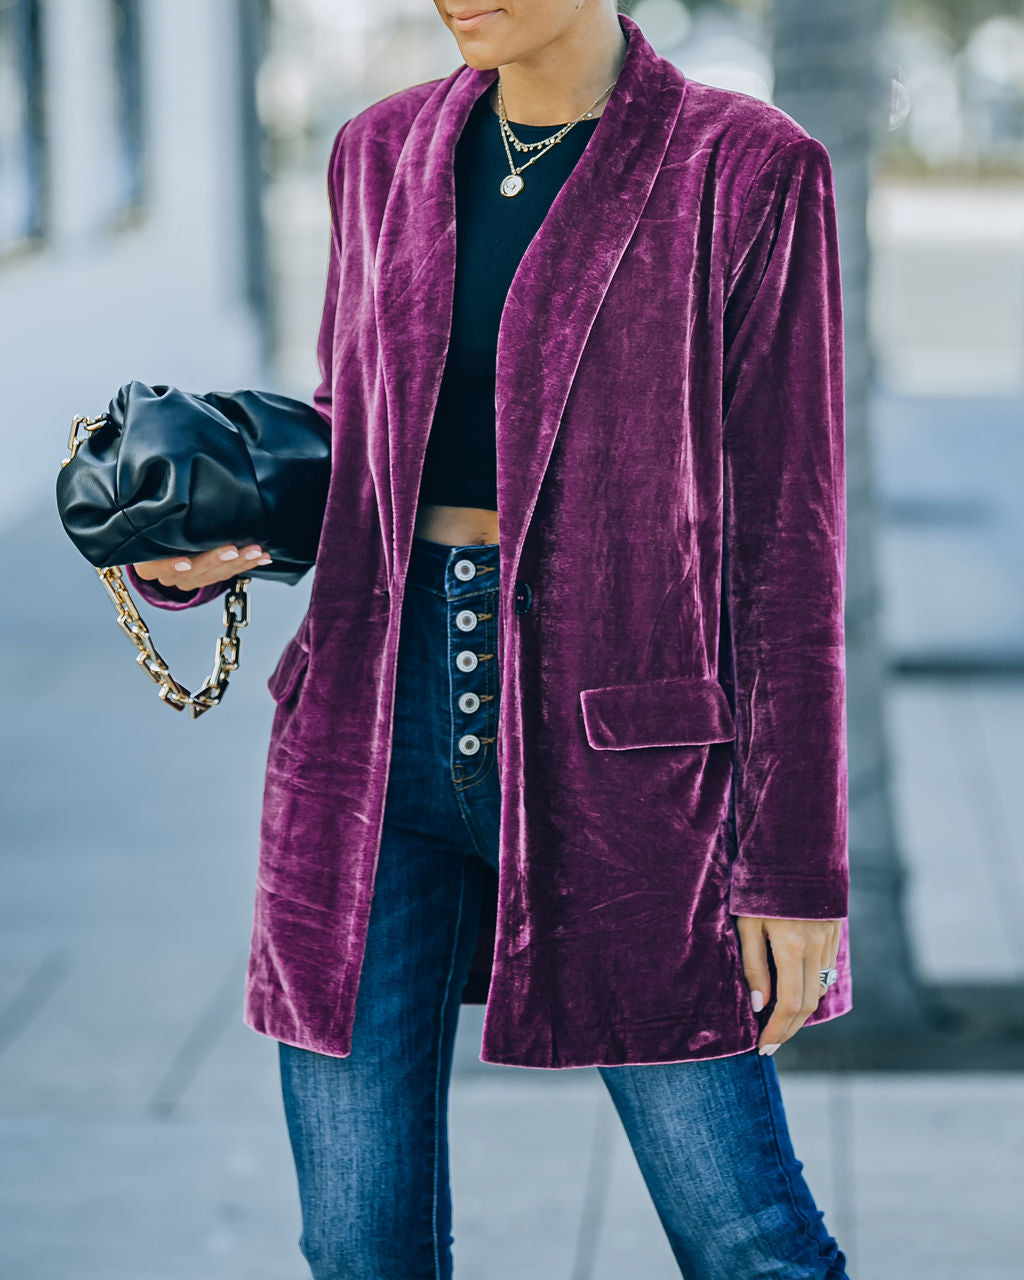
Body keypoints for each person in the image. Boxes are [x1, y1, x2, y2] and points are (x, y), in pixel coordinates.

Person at [127, 3, 852, 1276]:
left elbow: (786, 540)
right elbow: (359, 435)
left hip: (630, 760)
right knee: (360, 1244)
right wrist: (212, 533)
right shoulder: (380, 150)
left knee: (748, 1240)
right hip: (371, 732)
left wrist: (790, 865)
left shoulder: (745, 166)